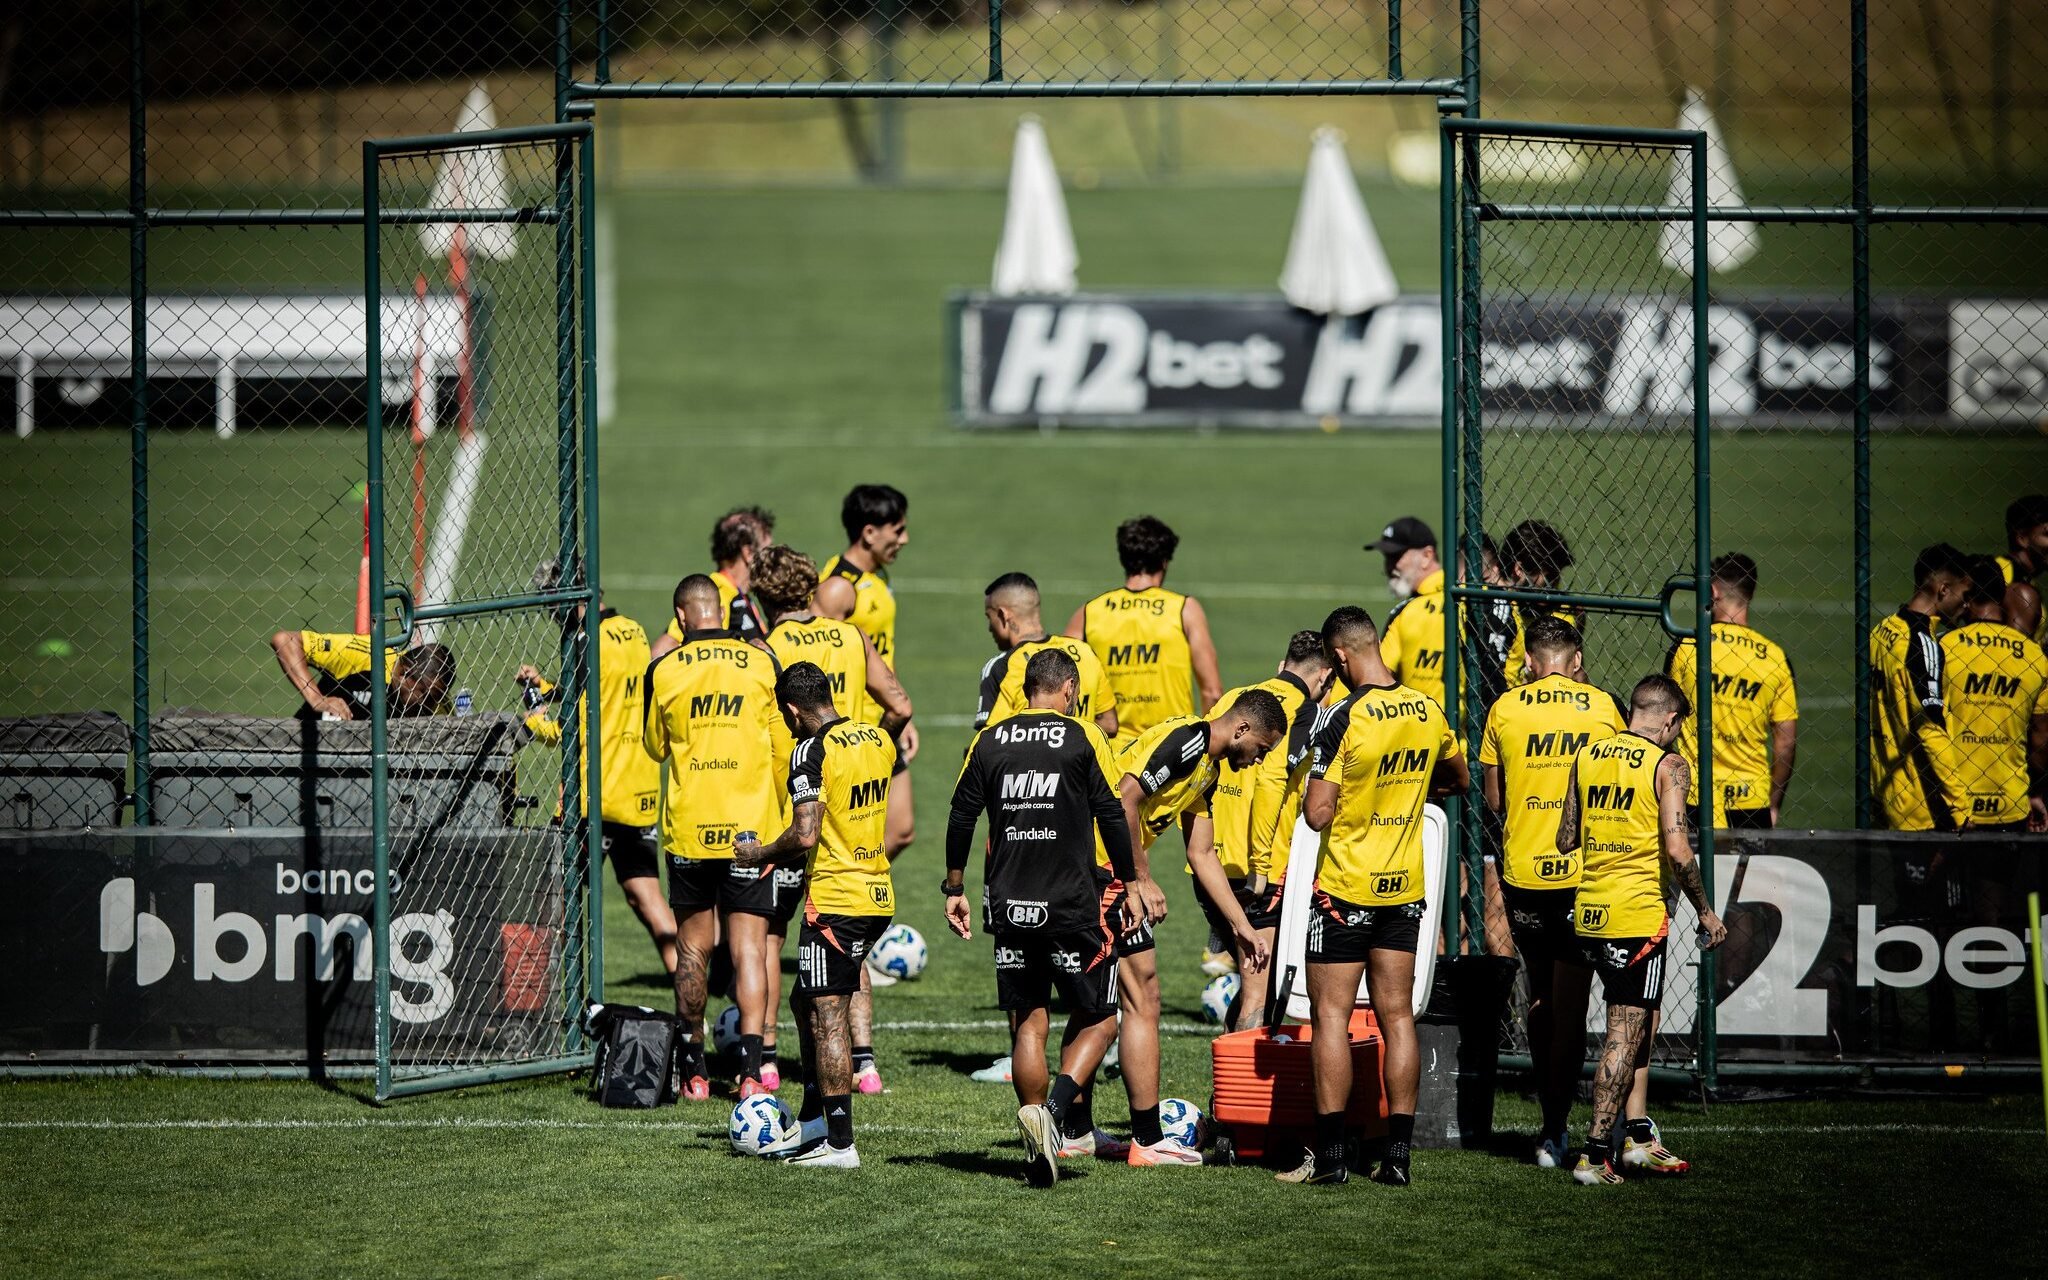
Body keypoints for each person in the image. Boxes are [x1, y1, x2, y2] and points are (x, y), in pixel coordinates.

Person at [1280, 605, 1467, 1188]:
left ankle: (1333, 1158)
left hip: (1345, 890)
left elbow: (1317, 814)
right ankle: (1399, 1159)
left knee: (1331, 1017)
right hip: (1404, 890)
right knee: (1398, 1016)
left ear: (1339, 656)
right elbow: (1458, 778)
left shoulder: (1342, 716)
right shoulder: (1426, 708)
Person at [943, 648, 1140, 1187]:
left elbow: (961, 816)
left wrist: (955, 886)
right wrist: (1131, 883)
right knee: (1101, 1018)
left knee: (1030, 1022)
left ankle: (1035, 1140)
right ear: (1069, 688)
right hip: (1071, 903)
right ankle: (1051, 1115)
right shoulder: (1083, 735)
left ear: (1027, 688)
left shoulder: (991, 739)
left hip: (1008, 903)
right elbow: (1112, 813)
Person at [1555, 675, 1727, 1186]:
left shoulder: (1587, 754)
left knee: (1638, 1028)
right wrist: (1705, 911)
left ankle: (1637, 1138)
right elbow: (1677, 850)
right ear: (1671, 720)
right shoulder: (1669, 766)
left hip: (1588, 910)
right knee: (1624, 1035)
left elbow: (1566, 838)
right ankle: (1594, 1156)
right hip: (1636, 916)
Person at [757, 544, 913, 1095]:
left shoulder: (767, 649)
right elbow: (900, 704)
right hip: (852, 803)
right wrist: (879, 748)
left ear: (761, 597)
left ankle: (766, 1059)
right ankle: (864, 1062)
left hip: (789, 808)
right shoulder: (851, 635)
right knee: (848, 942)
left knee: (770, 936)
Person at [1108, 690, 1287, 1165]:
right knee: (1132, 999)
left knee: (1112, 1005)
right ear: (1242, 729)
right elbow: (1124, 800)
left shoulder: (1208, 769)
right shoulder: (1187, 741)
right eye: (1261, 749)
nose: (1258, 761)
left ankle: (1072, 1126)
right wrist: (1139, 879)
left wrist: (1242, 926)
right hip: (1096, 867)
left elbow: (1202, 854)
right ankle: (1141, 1140)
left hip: (1108, 870)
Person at [733, 661, 897, 1169]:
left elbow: (805, 834)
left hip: (836, 900)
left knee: (827, 1019)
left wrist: (758, 854)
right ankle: (814, 1118)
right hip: (876, 893)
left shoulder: (811, 750)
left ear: (791, 709)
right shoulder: (874, 739)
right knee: (805, 1001)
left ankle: (840, 1144)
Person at [1477, 614, 1626, 1168]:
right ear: (1576, 660)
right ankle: (1588, 1129)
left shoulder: (1505, 708)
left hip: (1525, 874)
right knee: (1574, 1004)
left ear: (1530, 661)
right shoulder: (1603, 708)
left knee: (1540, 997)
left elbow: (1495, 800)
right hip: (1583, 873)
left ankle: (1552, 1129)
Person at [642, 573, 784, 1100]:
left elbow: (656, 747)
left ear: (681, 616)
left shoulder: (664, 668)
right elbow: (780, 746)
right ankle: (751, 1074)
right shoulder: (761, 661)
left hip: (690, 831)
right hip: (752, 831)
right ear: (721, 609)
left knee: (692, 949)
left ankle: (695, 1072)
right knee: (749, 950)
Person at [513, 560, 675, 978]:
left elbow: (563, 731)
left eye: (549, 601)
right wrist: (548, 687)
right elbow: (603, 694)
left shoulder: (583, 643)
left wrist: (532, 714)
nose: (549, 612)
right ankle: (689, 998)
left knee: (553, 897)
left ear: (565, 596)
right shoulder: (632, 631)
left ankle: (546, 996)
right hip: (637, 790)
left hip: (591, 795)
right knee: (646, 897)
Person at [1199, 631, 1336, 1029]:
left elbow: (1200, 770)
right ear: (1325, 676)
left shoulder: (1236, 699)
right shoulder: (1306, 712)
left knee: (1260, 984)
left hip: (1210, 864)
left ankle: (1232, 1063)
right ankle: (1242, 1071)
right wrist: (1260, 865)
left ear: (1282, 666)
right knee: (1262, 994)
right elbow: (1271, 783)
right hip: (1259, 874)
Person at [818, 483, 919, 869]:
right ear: (869, 532)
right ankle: (840, 892)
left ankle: (852, 886)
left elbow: (881, 654)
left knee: (900, 830)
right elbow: (821, 657)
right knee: (858, 836)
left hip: (886, 721)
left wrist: (902, 707)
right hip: (855, 728)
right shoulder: (838, 586)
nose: (904, 539)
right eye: (898, 530)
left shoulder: (878, 577)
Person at [1665, 553, 1799, 828]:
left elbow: (1664, 720)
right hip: (1750, 800)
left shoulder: (1688, 647)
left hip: (1693, 794)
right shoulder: (1775, 658)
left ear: (1713, 591)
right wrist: (1773, 803)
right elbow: (1785, 742)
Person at [1065, 515, 1223, 746]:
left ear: (1123, 559)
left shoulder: (1088, 614)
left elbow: (1062, 687)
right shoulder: (1183, 609)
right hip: (1172, 748)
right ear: (1164, 562)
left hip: (1110, 752)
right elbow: (1212, 692)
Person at [1870, 544, 1974, 831]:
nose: (1967, 606)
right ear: (1943, 590)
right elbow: (1930, 730)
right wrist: (1960, 808)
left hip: (1883, 790)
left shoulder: (1883, 629)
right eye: (1964, 595)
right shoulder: (1922, 645)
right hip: (1919, 808)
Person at [1940, 557, 2048, 833]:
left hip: (1953, 803)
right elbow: (2040, 738)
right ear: (2002, 598)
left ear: (1966, 599)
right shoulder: (2035, 657)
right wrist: (2035, 792)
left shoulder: (1944, 648)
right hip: (2011, 803)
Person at [976, 572, 1117, 737]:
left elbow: (988, 740)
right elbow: (1109, 724)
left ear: (1003, 615)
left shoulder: (1004, 666)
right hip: (1080, 752)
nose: (989, 627)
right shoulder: (1084, 651)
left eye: (989, 617)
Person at [652, 506, 774, 660]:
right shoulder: (718, 593)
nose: (772, 559)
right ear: (748, 552)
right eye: (768, 550)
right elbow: (662, 649)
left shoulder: (737, 595)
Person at [270, 628, 454, 720]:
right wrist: (317, 699)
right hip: (313, 750)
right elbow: (285, 640)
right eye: (425, 696)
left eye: (436, 699)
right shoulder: (365, 656)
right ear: (404, 674)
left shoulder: (435, 699)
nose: (431, 706)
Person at [1370, 516, 1450, 707]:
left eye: (1396, 556)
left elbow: (1377, 678)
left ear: (1427, 556)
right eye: (1387, 558)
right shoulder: (1470, 598)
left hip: (1420, 722)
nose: (1389, 567)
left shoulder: (1406, 612)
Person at [1500, 519, 1581, 690]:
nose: (1554, 584)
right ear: (1519, 569)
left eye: (1557, 576)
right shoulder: (1494, 610)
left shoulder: (1566, 612)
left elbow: (1578, 674)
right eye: (1548, 576)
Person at [1996, 493, 2048, 646]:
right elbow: (2015, 649)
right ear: (2022, 538)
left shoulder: (2025, 578)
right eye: (2047, 534)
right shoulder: (2004, 575)